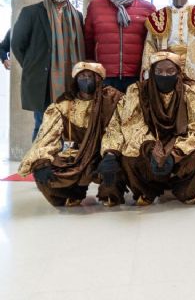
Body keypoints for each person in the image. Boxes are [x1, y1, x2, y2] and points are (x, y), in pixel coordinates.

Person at [101, 51, 195, 205]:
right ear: (152, 72)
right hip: (151, 142)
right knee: (129, 155)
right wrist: (153, 149)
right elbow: (132, 125)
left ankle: (186, 188)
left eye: (170, 71)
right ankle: (146, 190)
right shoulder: (138, 91)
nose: (164, 75)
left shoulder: (192, 90)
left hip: (180, 144)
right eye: (159, 71)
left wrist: (174, 154)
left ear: (179, 72)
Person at [17, 62, 123, 207]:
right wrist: (42, 159)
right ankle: (71, 193)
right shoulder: (63, 104)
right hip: (74, 155)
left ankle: (110, 193)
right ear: (75, 80)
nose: (85, 80)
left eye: (89, 76)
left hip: (101, 153)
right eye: (82, 76)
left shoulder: (112, 100)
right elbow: (47, 135)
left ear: (98, 79)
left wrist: (111, 154)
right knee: (42, 166)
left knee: (119, 162)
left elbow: (116, 129)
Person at [12, 0, 85, 140]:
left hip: (69, 82)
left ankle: (59, 165)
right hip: (43, 82)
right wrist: (33, 66)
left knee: (66, 127)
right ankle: (38, 164)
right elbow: (17, 44)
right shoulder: (31, 12)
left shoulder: (77, 16)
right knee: (42, 125)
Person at [84, 0, 156, 93]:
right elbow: (88, 40)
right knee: (106, 112)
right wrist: (91, 68)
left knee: (133, 112)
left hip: (136, 76)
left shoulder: (147, 8)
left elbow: (151, 42)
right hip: (105, 75)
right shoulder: (95, 6)